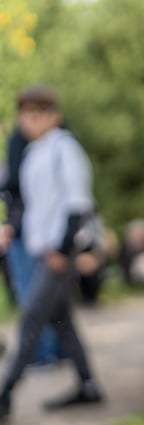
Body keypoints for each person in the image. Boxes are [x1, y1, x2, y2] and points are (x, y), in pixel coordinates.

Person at [0, 84, 104, 422]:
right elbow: (34, 206)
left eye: (35, 114)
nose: (28, 121)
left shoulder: (65, 148)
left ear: (53, 115)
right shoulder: (33, 152)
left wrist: (64, 248)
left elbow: (77, 204)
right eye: (24, 115)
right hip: (41, 248)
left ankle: (5, 392)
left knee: (31, 316)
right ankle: (88, 384)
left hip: (59, 251)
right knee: (64, 323)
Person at [1, 125, 66, 367]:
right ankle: (56, 351)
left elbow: (25, 201)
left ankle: (41, 353)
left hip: (28, 236)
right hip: (36, 235)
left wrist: (12, 227)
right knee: (47, 299)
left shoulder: (29, 155)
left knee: (33, 297)